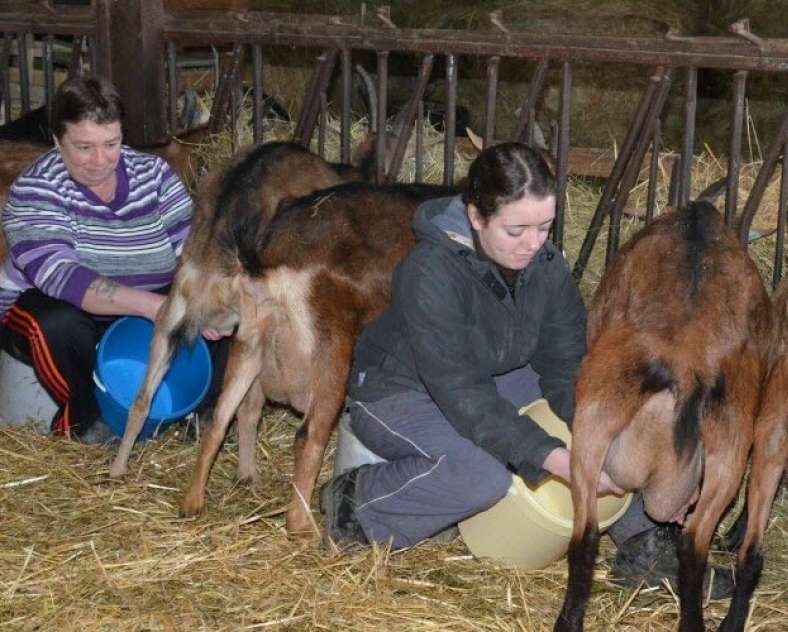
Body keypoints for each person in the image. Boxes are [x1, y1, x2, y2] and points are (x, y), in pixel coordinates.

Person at [320, 142, 733, 597]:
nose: (534, 244)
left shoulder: (546, 267)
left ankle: (644, 544)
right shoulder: (429, 272)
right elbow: (463, 395)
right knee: (480, 477)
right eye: (516, 230)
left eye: (545, 226)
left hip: (494, 376)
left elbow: (565, 366)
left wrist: (603, 442)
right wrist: (560, 460)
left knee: (610, 421)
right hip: (399, 389)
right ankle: (356, 504)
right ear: (476, 217)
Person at [0, 75, 222, 444]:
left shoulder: (154, 175)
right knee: (55, 322)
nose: (99, 160)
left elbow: (191, 248)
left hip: (142, 311)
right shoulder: (35, 189)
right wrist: (158, 308)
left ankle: (197, 418)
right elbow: (63, 277)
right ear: (57, 141)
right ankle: (84, 421)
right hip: (59, 312)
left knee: (225, 311)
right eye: (83, 147)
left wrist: (202, 300)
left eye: (111, 144)